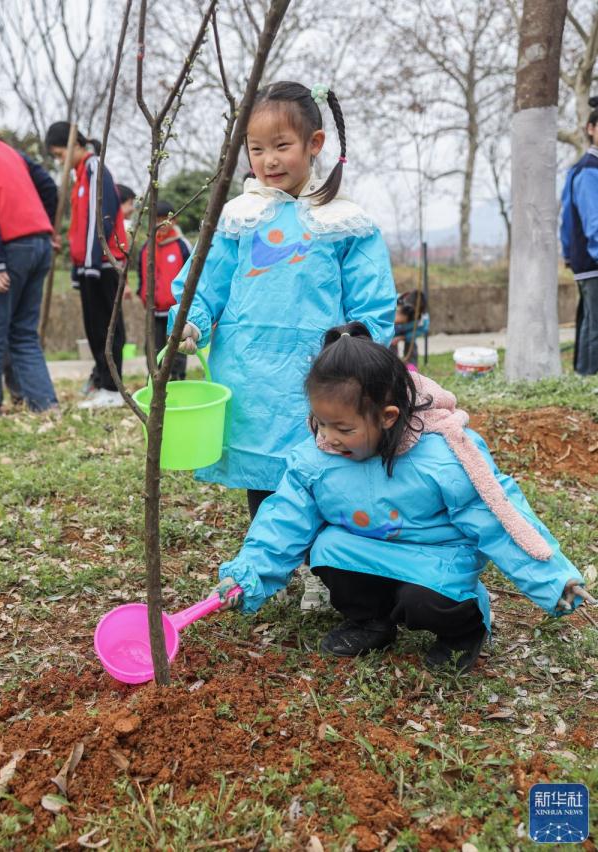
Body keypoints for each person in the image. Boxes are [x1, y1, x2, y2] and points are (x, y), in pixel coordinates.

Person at [211, 322, 592, 672]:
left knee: (422, 601)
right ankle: (370, 622)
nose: (327, 437)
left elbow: (498, 514)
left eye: (343, 427)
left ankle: (465, 629)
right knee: (326, 548)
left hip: (434, 555)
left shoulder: (443, 456)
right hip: (368, 549)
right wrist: (248, 576)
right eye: (320, 422)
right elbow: (284, 519)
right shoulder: (316, 459)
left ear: (388, 417)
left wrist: (552, 579)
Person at [169, 81, 396, 610]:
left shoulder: (344, 220)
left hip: (322, 374)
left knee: (325, 467)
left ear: (314, 143)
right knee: (264, 473)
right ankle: (277, 565)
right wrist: (191, 321)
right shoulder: (238, 218)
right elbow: (204, 282)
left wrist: (359, 348)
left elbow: (372, 302)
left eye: (282, 146)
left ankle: (326, 569)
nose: (268, 160)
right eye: (256, 148)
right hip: (248, 372)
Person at [45, 122, 128, 408]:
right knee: (93, 326)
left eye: (60, 154)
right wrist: (78, 268)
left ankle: (114, 389)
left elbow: (101, 215)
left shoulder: (94, 168)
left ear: (75, 144)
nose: (60, 161)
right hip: (88, 265)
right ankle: (102, 381)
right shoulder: (79, 176)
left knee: (108, 326)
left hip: (102, 263)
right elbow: (78, 226)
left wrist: (93, 261)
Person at [0, 140, 59, 414]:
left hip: (10, 250)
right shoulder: (10, 151)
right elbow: (48, 186)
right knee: (23, 333)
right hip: (40, 243)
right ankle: (45, 406)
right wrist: (40, 225)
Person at [560, 96, 598, 375]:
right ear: (590, 128)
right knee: (595, 325)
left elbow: (565, 217)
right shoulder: (589, 169)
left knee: (589, 322)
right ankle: (590, 376)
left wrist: (567, 253)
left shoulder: (581, 168)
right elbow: (593, 221)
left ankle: (584, 375)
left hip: (584, 260)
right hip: (593, 259)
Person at [138, 199, 191, 380]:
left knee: (177, 347)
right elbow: (141, 274)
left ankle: (177, 379)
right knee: (152, 347)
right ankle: (155, 381)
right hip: (153, 310)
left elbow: (192, 274)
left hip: (176, 309)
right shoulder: (146, 247)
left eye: (165, 219)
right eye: (156, 219)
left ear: (174, 220)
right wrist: (142, 294)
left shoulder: (181, 245)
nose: (161, 223)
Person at [390, 289, 429, 368]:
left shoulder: (423, 317)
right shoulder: (394, 301)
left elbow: (422, 329)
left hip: (409, 332)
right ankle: (391, 365)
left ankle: (411, 368)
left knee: (411, 345)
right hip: (393, 331)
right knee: (390, 344)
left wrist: (403, 337)